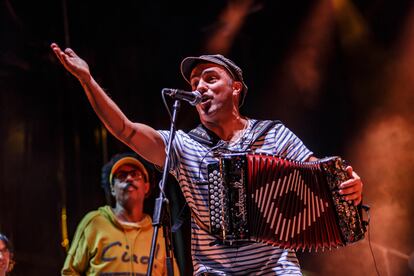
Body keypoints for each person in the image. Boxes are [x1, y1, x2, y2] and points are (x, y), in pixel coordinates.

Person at [51, 43, 363, 275]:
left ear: (236, 88)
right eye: (195, 83)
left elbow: (324, 179)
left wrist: (349, 187)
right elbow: (125, 130)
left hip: (275, 269)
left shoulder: (273, 135)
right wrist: (87, 80)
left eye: (210, 78)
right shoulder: (184, 146)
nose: (200, 87)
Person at [61, 152, 179, 275]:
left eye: (135, 174)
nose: (129, 178)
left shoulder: (158, 233)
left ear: (147, 186)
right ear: (112, 188)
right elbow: (70, 272)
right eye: (121, 175)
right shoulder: (93, 223)